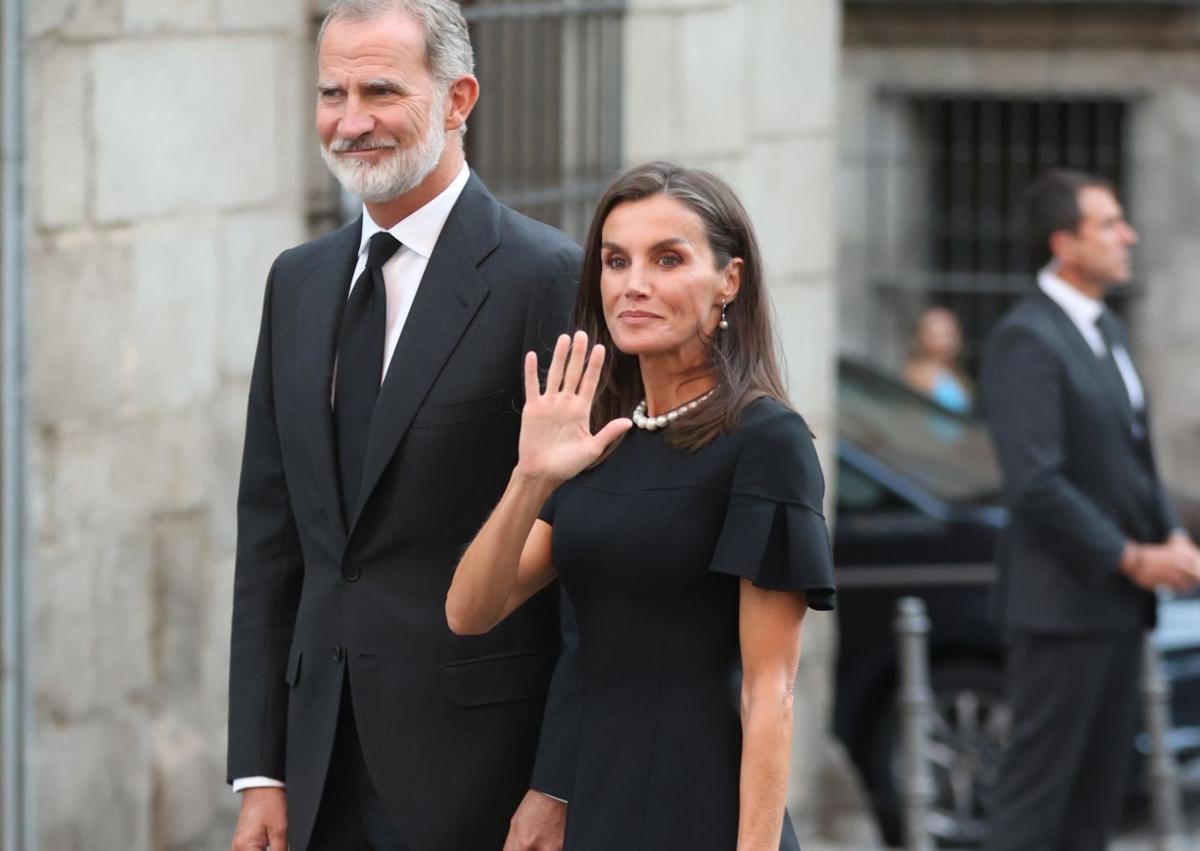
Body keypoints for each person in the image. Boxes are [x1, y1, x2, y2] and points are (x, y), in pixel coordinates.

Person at [226, 1, 583, 849]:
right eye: (331, 93)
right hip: (315, 775)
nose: (351, 122)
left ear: (459, 99)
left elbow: (584, 552)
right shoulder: (296, 282)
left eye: (381, 90)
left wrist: (557, 782)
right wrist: (261, 771)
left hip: (481, 777)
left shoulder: (547, 277)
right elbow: (272, 538)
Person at [446, 162, 837, 851]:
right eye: (616, 260)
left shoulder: (765, 439)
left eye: (668, 259)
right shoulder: (600, 435)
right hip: (599, 798)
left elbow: (770, 690)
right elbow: (470, 611)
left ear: (730, 282)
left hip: (704, 803)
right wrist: (531, 476)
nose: (635, 284)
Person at [979, 169, 1200, 851]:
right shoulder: (1028, 338)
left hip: (1112, 606)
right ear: (1064, 244)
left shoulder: (1107, 328)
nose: (1127, 235)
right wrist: (1133, 556)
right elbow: (1036, 483)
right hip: (1059, 611)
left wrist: (1170, 533)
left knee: (1096, 807)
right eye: (1108, 223)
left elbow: (1134, 456)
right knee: (1036, 804)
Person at [903, 306, 971, 413]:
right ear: (923, 337)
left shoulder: (954, 373)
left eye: (951, 334)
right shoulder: (919, 375)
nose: (947, 341)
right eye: (939, 335)